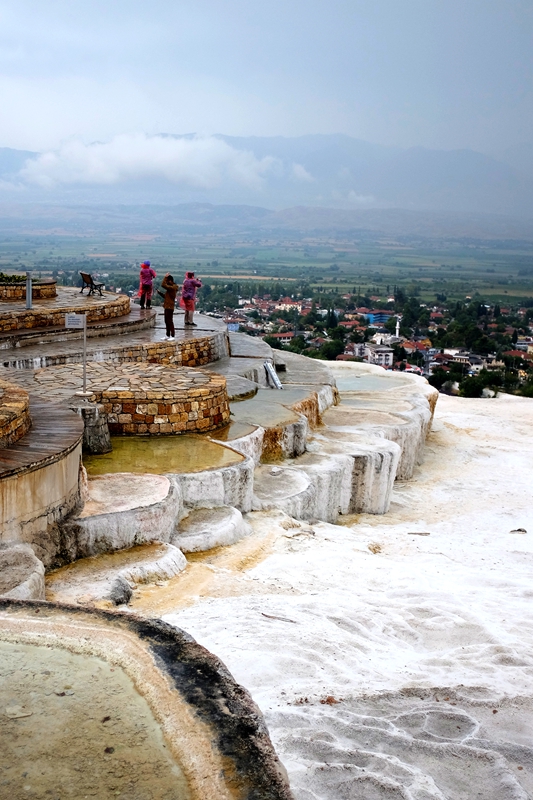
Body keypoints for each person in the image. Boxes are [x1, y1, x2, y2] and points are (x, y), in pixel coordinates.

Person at [157, 273, 179, 340]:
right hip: (167, 306)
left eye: (167, 281)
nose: (166, 282)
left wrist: (165, 277)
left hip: (170, 307)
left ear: (170, 280)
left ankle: (172, 335)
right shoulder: (170, 289)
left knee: (169, 321)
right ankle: (167, 335)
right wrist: (160, 293)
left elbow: (163, 285)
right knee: (166, 321)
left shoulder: (173, 288)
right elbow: (166, 297)